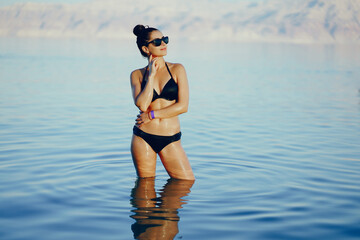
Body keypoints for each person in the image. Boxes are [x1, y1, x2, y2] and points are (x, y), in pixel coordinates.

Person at [130, 24, 195, 180]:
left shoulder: (177, 69)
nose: (164, 44)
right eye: (158, 42)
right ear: (146, 49)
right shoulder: (137, 75)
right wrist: (151, 76)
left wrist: (151, 115)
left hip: (170, 139)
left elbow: (183, 106)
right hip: (142, 138)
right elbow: (142, 105)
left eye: (165, 39)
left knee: (185, 184)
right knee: (144, 191)